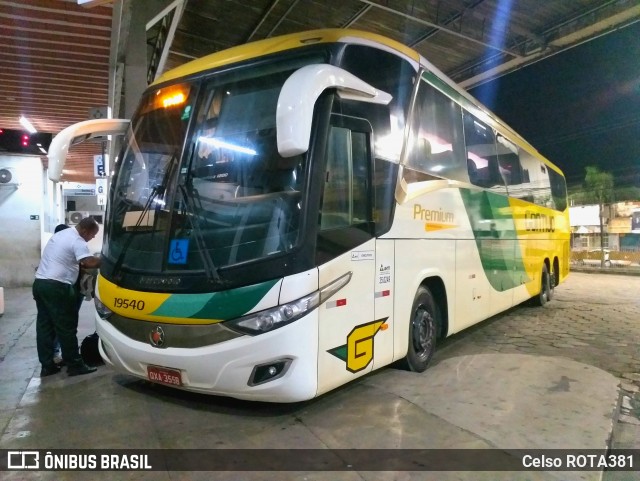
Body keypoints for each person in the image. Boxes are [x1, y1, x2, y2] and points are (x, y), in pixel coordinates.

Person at [33, 217, 102, 376]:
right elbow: (88, 262)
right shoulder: (77, 240)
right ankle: (74, 364)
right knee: (66, 327)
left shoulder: (60, 235)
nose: (91, 238)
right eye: (92, 235)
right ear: (85, 230)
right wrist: (108, 262)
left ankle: (47, 365)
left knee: (44, 327)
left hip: (40, 284)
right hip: (57, 287)